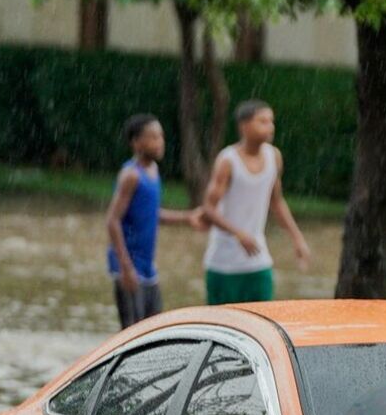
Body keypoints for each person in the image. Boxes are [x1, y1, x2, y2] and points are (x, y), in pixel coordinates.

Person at [201, 99, 309, 305]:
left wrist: (297, 238)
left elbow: (276, 201)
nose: (271, 127)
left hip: (258, 261)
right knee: (224, 327)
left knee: (262, 320)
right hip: (223, 265)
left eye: (271, 121)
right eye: (263, 121)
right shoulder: (228, 161)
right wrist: (238, 233)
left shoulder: (274, 156)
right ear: (244, 126)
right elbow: (208, 208)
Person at [104, 114, 199, 328]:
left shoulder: (153, 171)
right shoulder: (131, 175)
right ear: (136, 142)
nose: (160, 142)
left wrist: (187, 218)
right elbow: (112, 221)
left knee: (154, 329)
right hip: (129, 267)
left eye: (161, 137)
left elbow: (151, 213)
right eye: (153, 137)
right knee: (132, 333)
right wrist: (126, 268)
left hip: (147, 267)